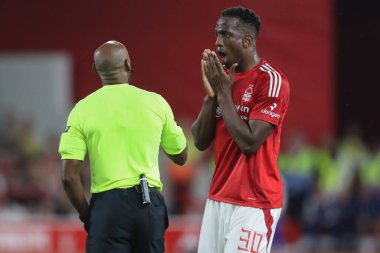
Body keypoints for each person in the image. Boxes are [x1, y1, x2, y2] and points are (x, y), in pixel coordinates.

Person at [58, 40, 188, 253]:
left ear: (95, 69)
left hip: (107, 207)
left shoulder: (81, 110)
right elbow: (181, 156)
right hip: (149, 204)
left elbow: (68, 177)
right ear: (127, 64)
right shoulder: (156, 103)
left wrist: (87, 214)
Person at [192, 6, 290, 253]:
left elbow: (250, 143)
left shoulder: (271, 81)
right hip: (218, 198)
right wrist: (211, 97)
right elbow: (200, 141)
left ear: (246, 40)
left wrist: (223, 93)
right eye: (216, 34)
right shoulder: (223, 79)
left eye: (225, 35)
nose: (217, 43)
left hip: (255, 202)